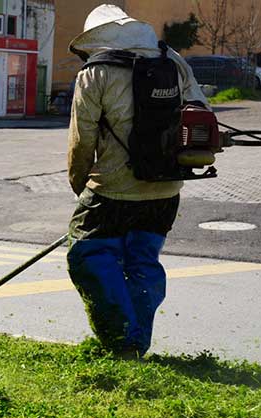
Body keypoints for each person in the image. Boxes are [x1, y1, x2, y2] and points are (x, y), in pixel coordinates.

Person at [65, 5, 209, 358]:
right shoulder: (173, 61)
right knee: (143, 262)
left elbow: (81, 141)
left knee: (88, 255)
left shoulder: (95, 72)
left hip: (112, 189)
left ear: (95, 38)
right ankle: (135, 343)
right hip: (166, 190)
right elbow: (201, 114)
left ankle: (121, 341)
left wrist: (80, 184)